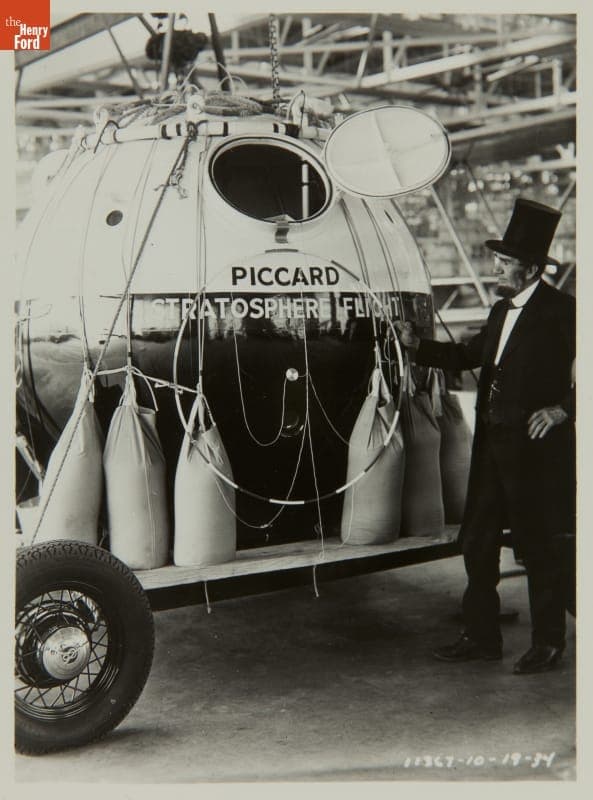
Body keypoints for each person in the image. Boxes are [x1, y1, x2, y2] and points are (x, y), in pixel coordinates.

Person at [397, 197, 575, 675]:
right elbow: (469, 356)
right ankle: (481, 637)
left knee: (538, 548)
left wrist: (563, 410)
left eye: (506, 262)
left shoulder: (564, 311)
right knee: (477, 542)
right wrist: (418, 348)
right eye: (498, 260)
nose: (496, 267)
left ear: (533, 268)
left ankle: (548, 643)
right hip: (492, 448)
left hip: (536, 454)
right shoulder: (500, 311)